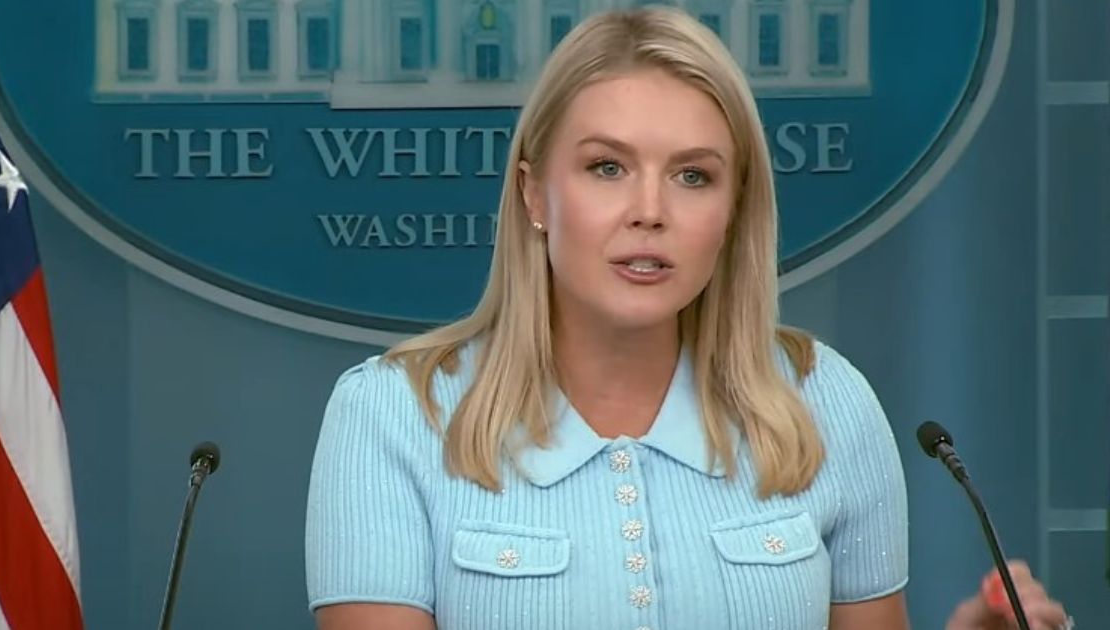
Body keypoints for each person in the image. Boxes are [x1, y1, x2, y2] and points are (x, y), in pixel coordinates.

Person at [304, 7, 1071, 630]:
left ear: (733, 209)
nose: (650, 211)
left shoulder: (825, 401)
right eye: (607, 167)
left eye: (693, 176)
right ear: (535, 194)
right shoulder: (393, 415)